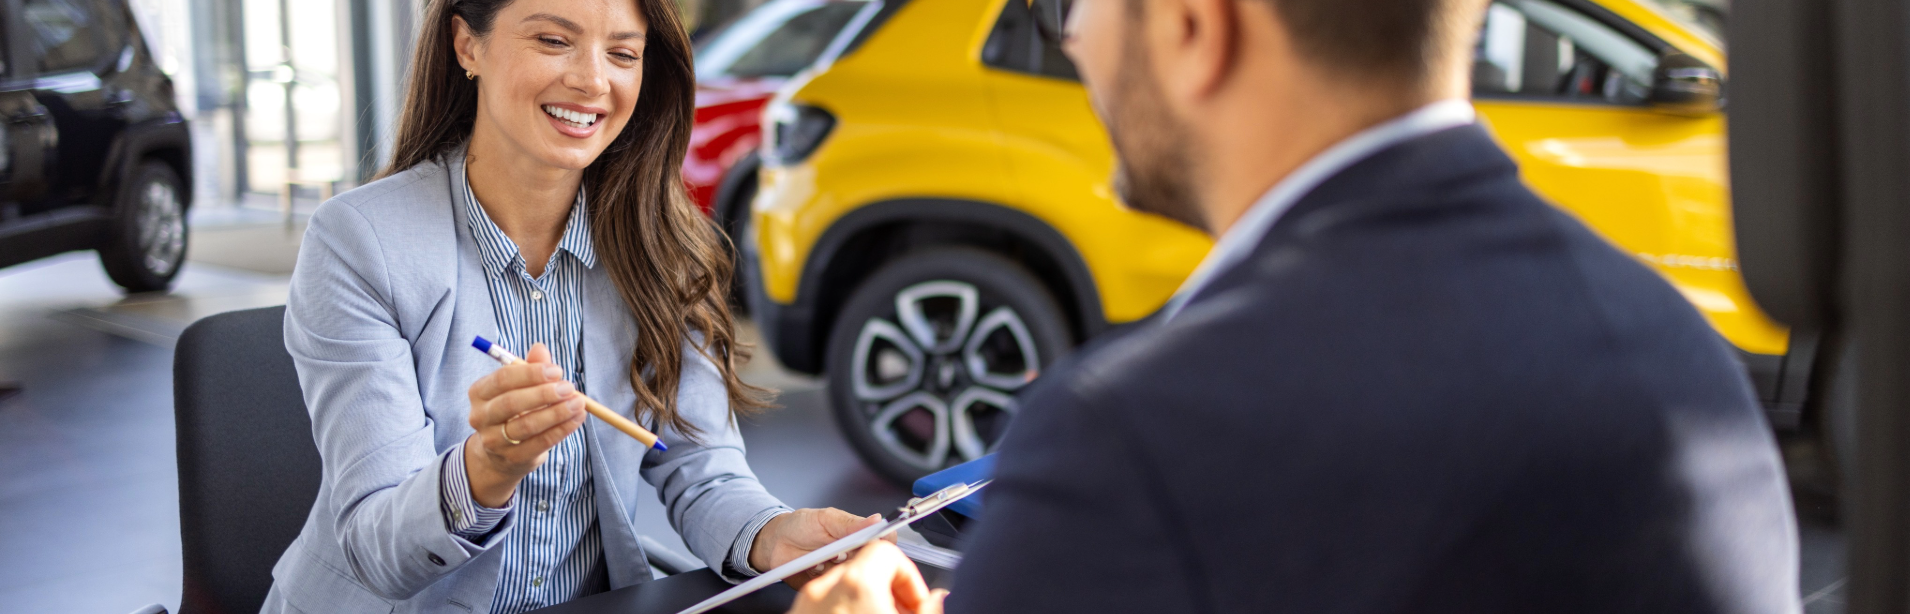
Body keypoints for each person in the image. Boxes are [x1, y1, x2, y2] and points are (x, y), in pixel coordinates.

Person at [791, 0, 1801, 612]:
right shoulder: (1677, 355)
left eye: (1084, 6)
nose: (1077, 38)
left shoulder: (1137, 436)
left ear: (1195, 27)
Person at [262, 0, 883, 612]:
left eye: (622, 53)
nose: (592, 81)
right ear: (466, 44)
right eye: (553, 41)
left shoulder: (664, 245)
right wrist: (487, 469)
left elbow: (701, 467)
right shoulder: (359, 242)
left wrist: (774, 535)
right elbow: (376, 552)